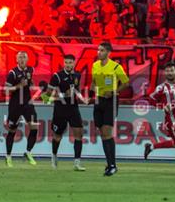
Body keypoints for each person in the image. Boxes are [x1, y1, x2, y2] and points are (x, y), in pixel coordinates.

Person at [91, 42, 129, 176]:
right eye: (98, 50)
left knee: (107, 132)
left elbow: (126, 83)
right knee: (102, 133)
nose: (98, 52)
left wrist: (114, 92)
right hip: (98, 100)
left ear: (108, 52)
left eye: (101, 50)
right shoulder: (95, 65)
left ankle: (113, 165)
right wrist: (92, 90)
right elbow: (94, 82)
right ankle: (109, 164)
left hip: (110, 101)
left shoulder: (116, 67)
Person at [47, 54, 87, 171]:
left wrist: (82, 98)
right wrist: (64, 95)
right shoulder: (57, 76)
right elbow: (48, 94)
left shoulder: (77, 75)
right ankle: (54, 156)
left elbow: (76, 89)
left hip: (73, 108)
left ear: (74, 63)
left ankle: (77, 163)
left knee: (79, 134)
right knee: (57, 136)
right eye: (66, 62)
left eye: (70, 63)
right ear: (63, 63)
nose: (68, 65)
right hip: (60, 109)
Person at [4, 51, 38, 167]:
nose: (22, 59)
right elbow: (7, 90)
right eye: (20, 57)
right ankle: (8, 156)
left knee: (34, 127)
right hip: (15, 105)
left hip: (28, 103)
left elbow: (30, 82)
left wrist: (31, 83)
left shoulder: (31, 70)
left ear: (27, 59)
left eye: (24, 57)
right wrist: (19, 86)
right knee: (12, 130)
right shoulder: (13, 73)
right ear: (16, 60)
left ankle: (28, 152)